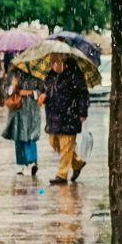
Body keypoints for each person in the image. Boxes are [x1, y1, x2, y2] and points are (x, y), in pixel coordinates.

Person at [42, 53, 89, 185]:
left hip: (70, 115)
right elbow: (45, 91)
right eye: (52, 60)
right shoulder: (50, 75)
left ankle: (61, 175)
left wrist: (82, 111)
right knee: (54, 142)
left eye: (55, 59)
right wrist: (42, 97)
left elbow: (82, 94)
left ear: (63, 58)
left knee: (66, 145)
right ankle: (77, 163)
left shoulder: (74, 74)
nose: (53, 62)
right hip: (53, 117)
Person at [2, 69, 44, 178]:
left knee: (30, 136)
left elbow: (43, 91)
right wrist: (13, 86)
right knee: (19, 136)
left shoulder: (37, 74)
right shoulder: (13, 74)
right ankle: (21, 163)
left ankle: (31, 161)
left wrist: (30, 93)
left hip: (32, 110)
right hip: (18, 110)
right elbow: (6, 91)